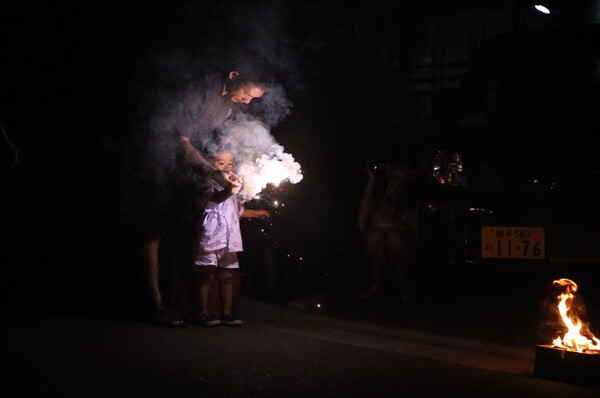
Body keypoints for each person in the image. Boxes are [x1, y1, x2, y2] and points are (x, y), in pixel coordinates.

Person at [138, 70, 266, 328]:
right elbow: (182, 140)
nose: (247, 101)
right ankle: (154, 303)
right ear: (234, 75)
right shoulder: (197, 91)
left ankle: (178, 303)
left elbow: (211, 138)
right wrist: (211, 171)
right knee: (152, 233)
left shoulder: (225, 103)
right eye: (247, 94)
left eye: (254, 98)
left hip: (185, 174)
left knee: (178, 233)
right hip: (157, 163)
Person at [186, 149, 269, 327]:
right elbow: (214, 200)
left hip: (230, 239)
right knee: (206, 275)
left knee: (226, 276)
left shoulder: (233, 189)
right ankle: (201, 313)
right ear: (210, 165)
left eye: (230, 164)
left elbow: (238, 211)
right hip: (211, 237)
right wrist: (231, 190)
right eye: (220, 163)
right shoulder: (206, 183)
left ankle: (226, 313)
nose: (226, 167)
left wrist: (255, 212)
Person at [356, 155, 418, 303]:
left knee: (393, 237)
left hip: (404, 252)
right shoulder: (380, 191)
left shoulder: (413, 196)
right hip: (379, 249)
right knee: (374, 236)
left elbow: (414, 234)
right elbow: (361, 223)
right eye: (391, 168)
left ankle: (404, 285)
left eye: (400, 169)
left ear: (411, 173)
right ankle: (378, 285)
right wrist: (371, 181)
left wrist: (390, 222)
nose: (393, 173)